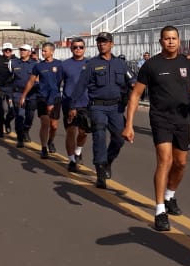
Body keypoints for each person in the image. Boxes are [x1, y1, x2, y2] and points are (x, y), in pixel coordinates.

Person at [123, 26, 190, 231]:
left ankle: (170, 196)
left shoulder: (188, 64)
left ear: (179, 40)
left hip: (182, 119)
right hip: (160, 118)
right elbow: (135, 94)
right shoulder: (151, 65)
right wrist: (129, 124)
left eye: (174, 38)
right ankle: (160, 210)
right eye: (166, 38)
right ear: (161, 41)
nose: (170, 41)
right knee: (165, 159)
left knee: (180, 163)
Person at [68, 31, 134, 189]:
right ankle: (100, 172)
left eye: (105, 42)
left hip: (116, 108)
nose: (101, 44)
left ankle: (108, 162)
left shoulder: (121, 64)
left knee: (118, 138)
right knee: (99, 137)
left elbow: (132, 80)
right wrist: (73, 106)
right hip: (97, 106)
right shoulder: (91, 64)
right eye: (99, 42)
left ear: (112, 44)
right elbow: (80, 86)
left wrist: (136, 87)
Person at [20, 42, 63, 158]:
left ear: (52, 51)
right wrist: (23, 95)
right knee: (45, 123)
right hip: (42, 98)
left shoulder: (59, 65)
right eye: (42, 51)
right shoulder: (38, 66)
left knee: (54, 126)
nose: (43, 53)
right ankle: (44, 147)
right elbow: (31, 81)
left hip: (55, 98)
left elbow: (63, 81)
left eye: (45, 51)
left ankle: (50, 141)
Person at [58, 37, 90, 171]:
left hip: (86, 103)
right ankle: (71, 160)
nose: (78, 49)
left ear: (84, 49)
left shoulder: (90, 63)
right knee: (71, 132)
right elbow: (57, 83)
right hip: (69, 103)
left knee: (83, 132)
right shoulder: (64, 65)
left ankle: (78, 151)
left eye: (80, 47)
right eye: (75, 47)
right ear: (71, 49)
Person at [9, 44, 37, 148]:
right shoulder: (14, 63)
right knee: (19, 116)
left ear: (29, 52)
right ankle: (20, 138)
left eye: (24, 50)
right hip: (18, 93)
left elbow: (38, 79)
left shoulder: (35, 64)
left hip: (32, 94)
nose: (22, 52)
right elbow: (8, 78)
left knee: (30, 116)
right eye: (21, 50)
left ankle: (26, 130)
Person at [0, 43, 17, 134]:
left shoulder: (16, 61)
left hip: (12, 89)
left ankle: (7, 122)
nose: (7, 51)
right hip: (0, 88)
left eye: (9, 50)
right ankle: (0, 130)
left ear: (12, 51)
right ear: (3, 51)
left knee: (12, 111)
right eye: (6, 50)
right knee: (1, 110)